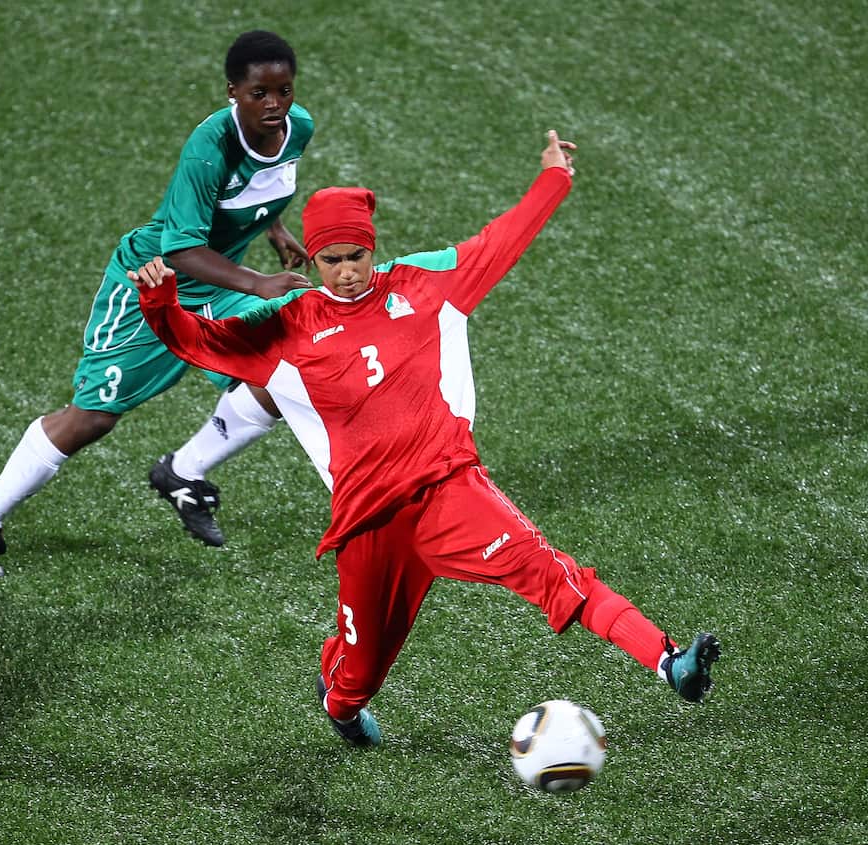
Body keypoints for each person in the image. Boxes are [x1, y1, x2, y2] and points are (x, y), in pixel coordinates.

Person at [127, 129, 723, 747]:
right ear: (313, 259)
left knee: (551, 571)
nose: (347, 271)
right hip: (369, 526)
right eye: (331, 260)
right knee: (358, 677)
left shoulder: (426, 285)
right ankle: (341, 703)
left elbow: (505, 237)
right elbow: (195, 341)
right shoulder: (287, 325)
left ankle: (669, 660)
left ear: (371, 248)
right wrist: (159, 300)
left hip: (450, 492)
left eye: (356, 256)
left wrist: (554, 175)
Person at [0, 30, 314, 578]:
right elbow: (183, 248)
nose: (274, 105)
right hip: (155, 282)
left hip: (223, 282)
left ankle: (183, 472)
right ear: (232, 92)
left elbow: (262, 187)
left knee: (284, 372)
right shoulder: (209, 148)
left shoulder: (297, 129)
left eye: (284, 91)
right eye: (259, 93)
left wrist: (274, 229)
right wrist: (260, 283)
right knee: (93, 417)